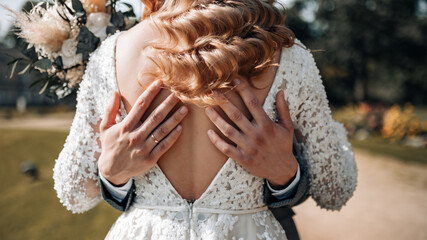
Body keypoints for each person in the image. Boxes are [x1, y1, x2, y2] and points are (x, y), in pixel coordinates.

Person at [53, 0, 357, 239]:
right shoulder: (288, 57)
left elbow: (74, 192)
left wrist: (109, 177)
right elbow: (335, 189)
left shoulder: (113, 53)